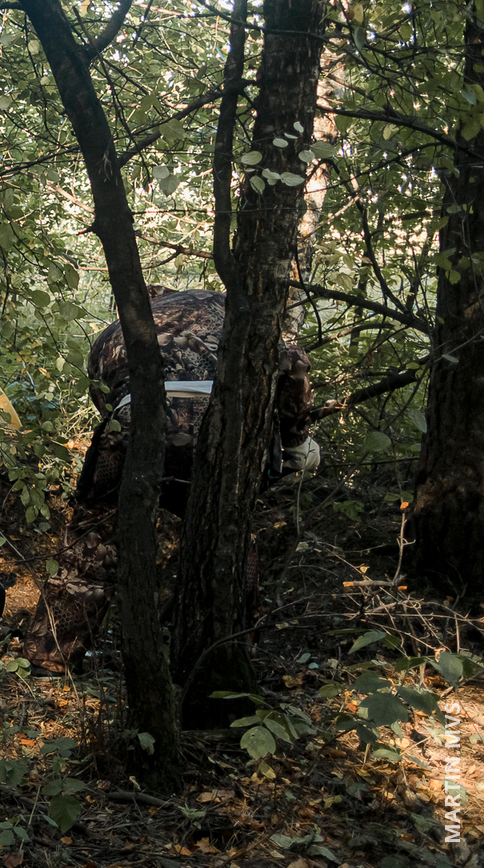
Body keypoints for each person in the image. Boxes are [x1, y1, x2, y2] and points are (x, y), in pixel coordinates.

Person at [23, 288, 318, 673]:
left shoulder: (118, 331)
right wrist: (294, 439)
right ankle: (225, 663)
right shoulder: (244, 315)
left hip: (137, 421)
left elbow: (106, 402)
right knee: (227, 537)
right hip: (224, 428)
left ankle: (50, 654)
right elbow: (295, 366)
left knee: (90, 543)